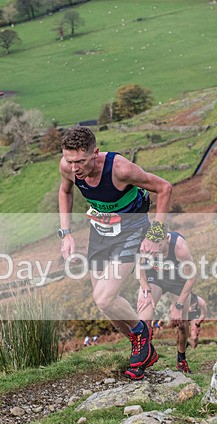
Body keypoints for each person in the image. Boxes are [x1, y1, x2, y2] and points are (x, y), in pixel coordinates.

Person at [58, 126, 172, 380]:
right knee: (106, 306)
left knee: (104, 298)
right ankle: (143, 349)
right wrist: (65, 233)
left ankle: (142, 335)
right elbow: (65, 191)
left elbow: (165, 188)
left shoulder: (120, 169)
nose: (74, 168)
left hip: (131, 229)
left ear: (95, 153)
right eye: (69, 160)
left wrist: (155, 234)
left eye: (80, 161)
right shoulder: (67, 167)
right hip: (100, 231)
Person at [136, 231, 197, 373]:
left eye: (159, 246)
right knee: (144, 315)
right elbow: (140, 267)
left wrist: (179, 305)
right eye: (152, 246)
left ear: (167, 239)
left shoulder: (180, 248)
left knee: (182, 324)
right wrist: (146, 289)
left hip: (179, 281)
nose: (155, 250)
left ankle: (181, 359)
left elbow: (192, 278)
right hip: (155, 277)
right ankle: (143, 357)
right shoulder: (146, 243)